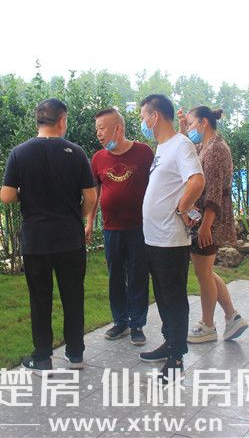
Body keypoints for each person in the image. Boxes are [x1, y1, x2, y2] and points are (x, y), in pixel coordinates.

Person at [0, 98, 97, 373]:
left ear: (38, 121)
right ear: (62, 121)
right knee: (73, 295)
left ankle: (42, 357)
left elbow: (6, 196)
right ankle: (75, 354)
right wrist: (77, 215)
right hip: (70, 238)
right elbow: (91, 197)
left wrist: (25, 194)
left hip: (36, 240)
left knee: (40, 298)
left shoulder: (19, 153)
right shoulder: (76, 152)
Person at [137, 94, 205, 382]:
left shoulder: (181, 145)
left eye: (144, 116)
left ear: (155, 116)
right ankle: (169, 342)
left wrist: (182, 207)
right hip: (154, 238)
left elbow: (197, 180)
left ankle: (177, 356)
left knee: (174, 298)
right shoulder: (162, 147)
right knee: (163, 297)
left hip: (170, 240)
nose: (142, 122)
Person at [176, 106, 249, 343]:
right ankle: (232, 316)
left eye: (191, 123)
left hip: (210, 219)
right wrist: (181, 128)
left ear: (204, 122)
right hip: (204, 218)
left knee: (203, 273)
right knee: (205, 271)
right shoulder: (206, 146)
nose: (190, 128)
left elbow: (214, 192)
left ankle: (208, 325)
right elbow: (185, 151)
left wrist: (206, 225)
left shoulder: (216, 149)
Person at [86, 108, 153, 346]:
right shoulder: (98, 159)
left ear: (118, 129)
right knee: (115, 276)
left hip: (140, 228)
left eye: (102, 129)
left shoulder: (144, 152)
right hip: (111, 229)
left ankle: (137, 324)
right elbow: (94, 194)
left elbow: (156, 185)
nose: (98, 134)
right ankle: (120, 321)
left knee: (138, 275)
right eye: (97, 130)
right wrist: (89, 222)